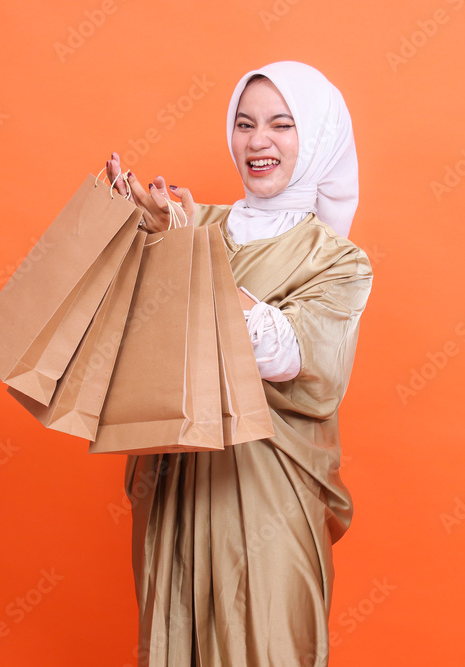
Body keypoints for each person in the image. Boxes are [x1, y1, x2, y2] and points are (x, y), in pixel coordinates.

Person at [104, 61, 372, 667]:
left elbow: (292, 359)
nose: (258, 141)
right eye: (244, 123)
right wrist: (132, 236)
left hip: (269, 491)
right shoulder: (198, 223)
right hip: (177, 483)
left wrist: (187, 257)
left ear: (318, 138)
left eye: (282, 125)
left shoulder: (339, 262)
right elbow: (134, 328)